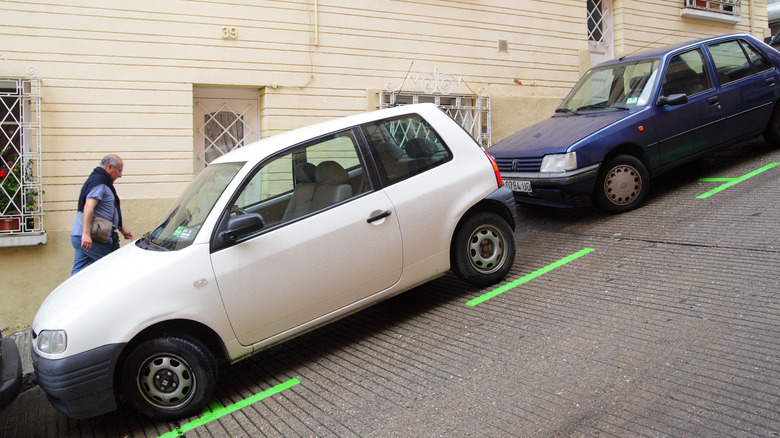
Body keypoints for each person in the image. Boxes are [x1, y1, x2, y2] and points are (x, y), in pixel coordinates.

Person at [70, 154, 133, 275]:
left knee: (79, 274)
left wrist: (121, 228)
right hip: (94, 237)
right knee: (114, 268)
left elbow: (105, 210)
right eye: (119, 171)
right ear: (109, 167)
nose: (120, 175)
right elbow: (88, 207)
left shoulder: (96, 180)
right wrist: (86, 234)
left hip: (79, 235)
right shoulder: (100, 183)